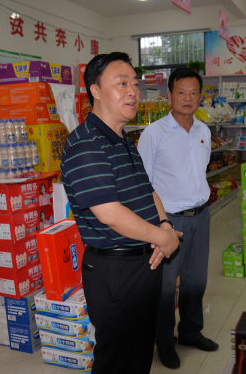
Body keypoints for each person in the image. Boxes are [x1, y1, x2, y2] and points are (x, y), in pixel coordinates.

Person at [61, 52, 182, 374]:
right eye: (122, 84)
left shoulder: (122, 139)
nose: (133, 92)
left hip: (143, 262)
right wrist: (165, 239)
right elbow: (110, 214)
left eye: (135, 84)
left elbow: (147, 190)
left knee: (138, 352)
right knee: (117, 359)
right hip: (115, 270)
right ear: (95, 90)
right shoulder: (86, 144)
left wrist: (165, 225)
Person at [138, 68, 217, 369]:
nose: (187, 98)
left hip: (201, 216)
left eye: (193, 93)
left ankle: (191, 332)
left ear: (200, 96)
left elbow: (200, 172)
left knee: (196, 280)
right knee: (165, 286)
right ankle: (164, 342)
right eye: (181, 92)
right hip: (168, 220)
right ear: (169, 95)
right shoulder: (154, 133)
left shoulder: (204, 131)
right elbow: (143, 183)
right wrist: (159, 224)